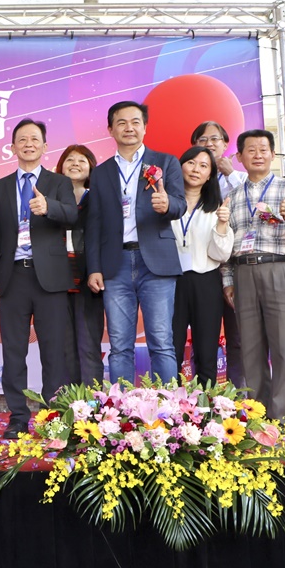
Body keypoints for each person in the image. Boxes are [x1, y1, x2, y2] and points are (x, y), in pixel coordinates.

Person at [0, 118, 78, 439]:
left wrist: (48, 206)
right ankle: (18, 416)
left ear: (45, 146)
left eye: (34, 139)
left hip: (50, 278)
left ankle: (53, 415)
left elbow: (72, 215)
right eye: (22, 140)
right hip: (12, 277)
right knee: (13, 351)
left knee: (53, 350)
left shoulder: (59, 182)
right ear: (12, 147)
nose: (28, 144)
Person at [86, 101, 187, 384]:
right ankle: (122, 408)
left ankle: (168, 408)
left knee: (162, 342)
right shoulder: (101, 172)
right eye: (121, 123)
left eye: (135, 122)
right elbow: (93, 224)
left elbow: (180, 204)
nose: (129, 128)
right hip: (115, 264)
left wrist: (167, 204)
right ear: (111, 129)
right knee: (119, 346)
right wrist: (94, 268)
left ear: (145, 127)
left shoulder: (166, 162)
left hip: (156, 262)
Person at [221, 129, 285, 419]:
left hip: (280, 268)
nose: (258, 155)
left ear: (273, 155)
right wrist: (228, 281)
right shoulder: (232, 196)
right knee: (251, 349)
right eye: (251, 150)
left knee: (284, 347)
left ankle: (283, 418)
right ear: (239, 157)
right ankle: (258, 418)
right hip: (243, 272)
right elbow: (226, 242)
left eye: (263, 149)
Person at [171, 146, 233, 387]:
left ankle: (207, 404)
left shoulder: (217, 207)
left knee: (206, 350)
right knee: (171, 348)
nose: (196, 169)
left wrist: (222, 226)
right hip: (171, 282)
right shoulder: (166, 203)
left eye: (204, 166)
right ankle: (169, 403)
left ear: (210, 175)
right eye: (191, 163)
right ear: (180, 166)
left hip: (206, 280)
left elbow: (222, 254)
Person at [190, 121, 245, 388]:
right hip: (205, 269)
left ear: (225, 144)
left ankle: (238, 396)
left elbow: (250, 202)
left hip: (238, 266)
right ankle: (201, 395)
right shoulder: (190, 182)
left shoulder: (241, 179)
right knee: (203, 339)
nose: (209, 144)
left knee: (237, 337)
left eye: (214, 139)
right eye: (202, 140)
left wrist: (230, 174)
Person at [55, 144, 104, 385]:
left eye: (82, 160)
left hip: (89, 279)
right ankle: (68, 403)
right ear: (61, 166)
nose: (75, 164)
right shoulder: (49, 199)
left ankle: (92, 403)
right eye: (70, 159)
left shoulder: (99, 198)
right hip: (56, 279)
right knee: (64, 348)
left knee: (89, 345)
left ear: (91, 168)